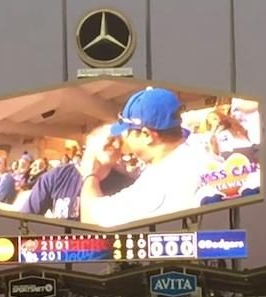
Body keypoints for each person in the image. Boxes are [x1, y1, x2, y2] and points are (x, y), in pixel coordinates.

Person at [79, 87, 214, 227]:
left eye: (127, 132)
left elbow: (92, 220)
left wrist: (91, 174)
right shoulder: (202, 153)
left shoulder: (160, 182)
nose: (124, 138)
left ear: (147, 135)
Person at [16, 125, 136, 220]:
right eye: (111, 139)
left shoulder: (128, 185)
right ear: (91, 141)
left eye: (120, 143)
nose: (116, 145)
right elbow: (26, 221)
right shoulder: (56, 176)